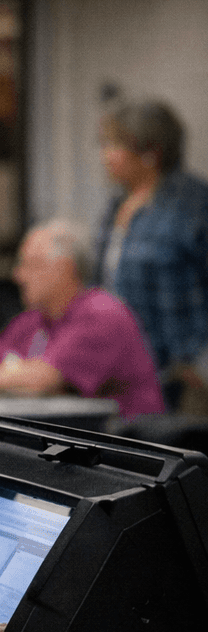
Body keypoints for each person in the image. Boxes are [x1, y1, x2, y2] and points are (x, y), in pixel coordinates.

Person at [0, 219, 164, 418]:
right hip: (72, 434)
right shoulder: (33, 319)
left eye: (31, 264)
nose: (18, 275)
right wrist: (14, 376)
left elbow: (43, 380)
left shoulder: (102, 313)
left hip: (124, 438)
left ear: (65, 269)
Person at [93, 98, 208, 413]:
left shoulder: (194, 204)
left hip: (183, 377)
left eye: (113, 145)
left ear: (149, 153)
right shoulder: (116, 204)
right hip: (125, 375)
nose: (105, 156)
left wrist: (200, 363)